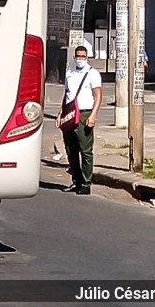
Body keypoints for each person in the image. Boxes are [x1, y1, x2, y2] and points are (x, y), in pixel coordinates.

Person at [57, 45, 102, 195]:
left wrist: (93, 115)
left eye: (83, 56)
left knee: (86, 151)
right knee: (71, 150)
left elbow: (98, 95)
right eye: (78, 56)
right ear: (74, 57)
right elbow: (67, 95)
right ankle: (76, 181)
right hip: (69, 114)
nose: (80, 59)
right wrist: (60, 114)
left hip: (84, 114)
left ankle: (86, 183)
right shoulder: (70, 72)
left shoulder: (92, 73)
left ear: (87, 57)